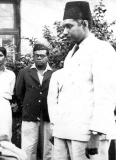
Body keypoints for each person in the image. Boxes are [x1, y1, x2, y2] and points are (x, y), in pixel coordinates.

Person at [49, 1, 116, 160]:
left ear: (84, 24)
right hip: (65, 131)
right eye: (64, 27)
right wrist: (57, 129)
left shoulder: (101, 50)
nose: (65, 32)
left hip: (87, 133)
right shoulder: (71, 54)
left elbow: (105, 95)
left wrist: (96, 133)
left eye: (69, 26)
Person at [16, 44, 53, 160]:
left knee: (49, 148)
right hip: (30, 114)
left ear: (47, 57)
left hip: (49, 116)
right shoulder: (24, 72)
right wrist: (29, 104)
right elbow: (19, 93)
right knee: (28, 148)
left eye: (42, 56)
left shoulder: (54, 73)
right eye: (36, 55)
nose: (39, 58)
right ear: (33, 56)